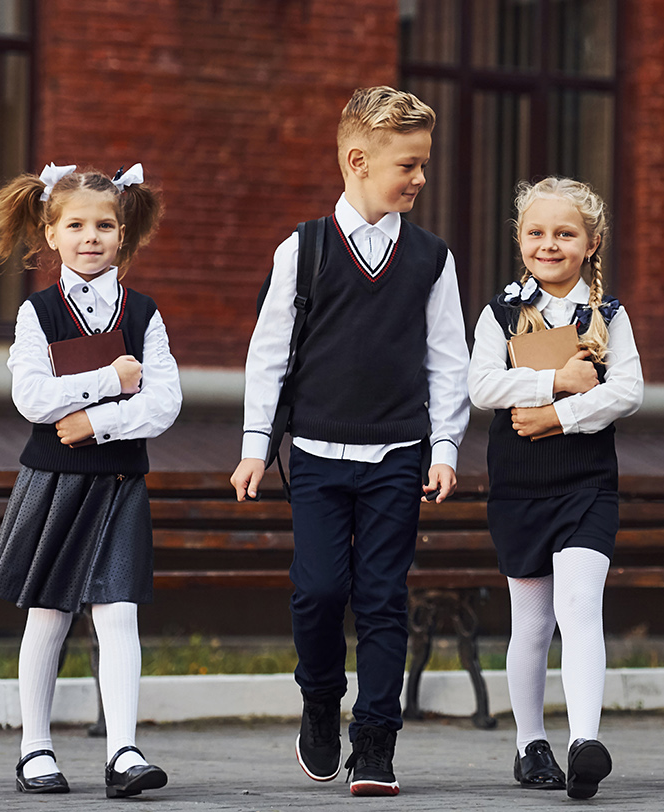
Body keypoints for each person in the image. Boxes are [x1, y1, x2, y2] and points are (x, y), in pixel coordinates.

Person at [229, 86, 470, 798]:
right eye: (410, 164)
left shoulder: (432, 259)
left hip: (398, 456)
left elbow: (447, 360)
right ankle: (319, 700)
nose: (421, 177)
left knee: (383, 598)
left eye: (425, 162)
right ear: (359, 160)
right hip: (317, 457)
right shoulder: (302, 250)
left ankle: (375, 739)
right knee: (319, 591)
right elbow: (269, 354)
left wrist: (447, 448)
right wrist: (252, 444)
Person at [0, 162, 179, 799]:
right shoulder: (36, 313)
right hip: (53, 483)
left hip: (119, 481)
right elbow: (32, 399)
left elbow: (165, 403)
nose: (92, 237)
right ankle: (35, 747)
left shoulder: (144, 314)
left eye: (105, 225)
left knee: (119, 613)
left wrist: (95, 422)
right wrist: (110, 382)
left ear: (124, 234)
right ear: (51, 233)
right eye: (77, 225)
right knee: (50, 615)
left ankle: (123, 752)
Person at [468, 177, 643, 800]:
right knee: (534, 625)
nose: (550, 244)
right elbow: (482, 387)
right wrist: (555, 381)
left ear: (591, 243)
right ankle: (530, 743)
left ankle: (584, 742)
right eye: (537, 233)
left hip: (588, 484)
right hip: (519, 486)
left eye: (565, 234)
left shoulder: (610, 315)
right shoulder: (501, 312)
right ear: (520, 240)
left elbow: (628, 391)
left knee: (579, 609)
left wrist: (560, 413)